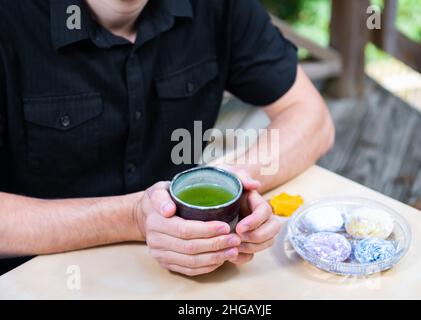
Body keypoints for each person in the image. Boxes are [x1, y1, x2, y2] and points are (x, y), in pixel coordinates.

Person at [0, 0, 335, 276]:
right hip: (38, 276)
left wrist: (229, 188)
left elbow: (311, 117)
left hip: (187, 272)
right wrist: (133, 217)